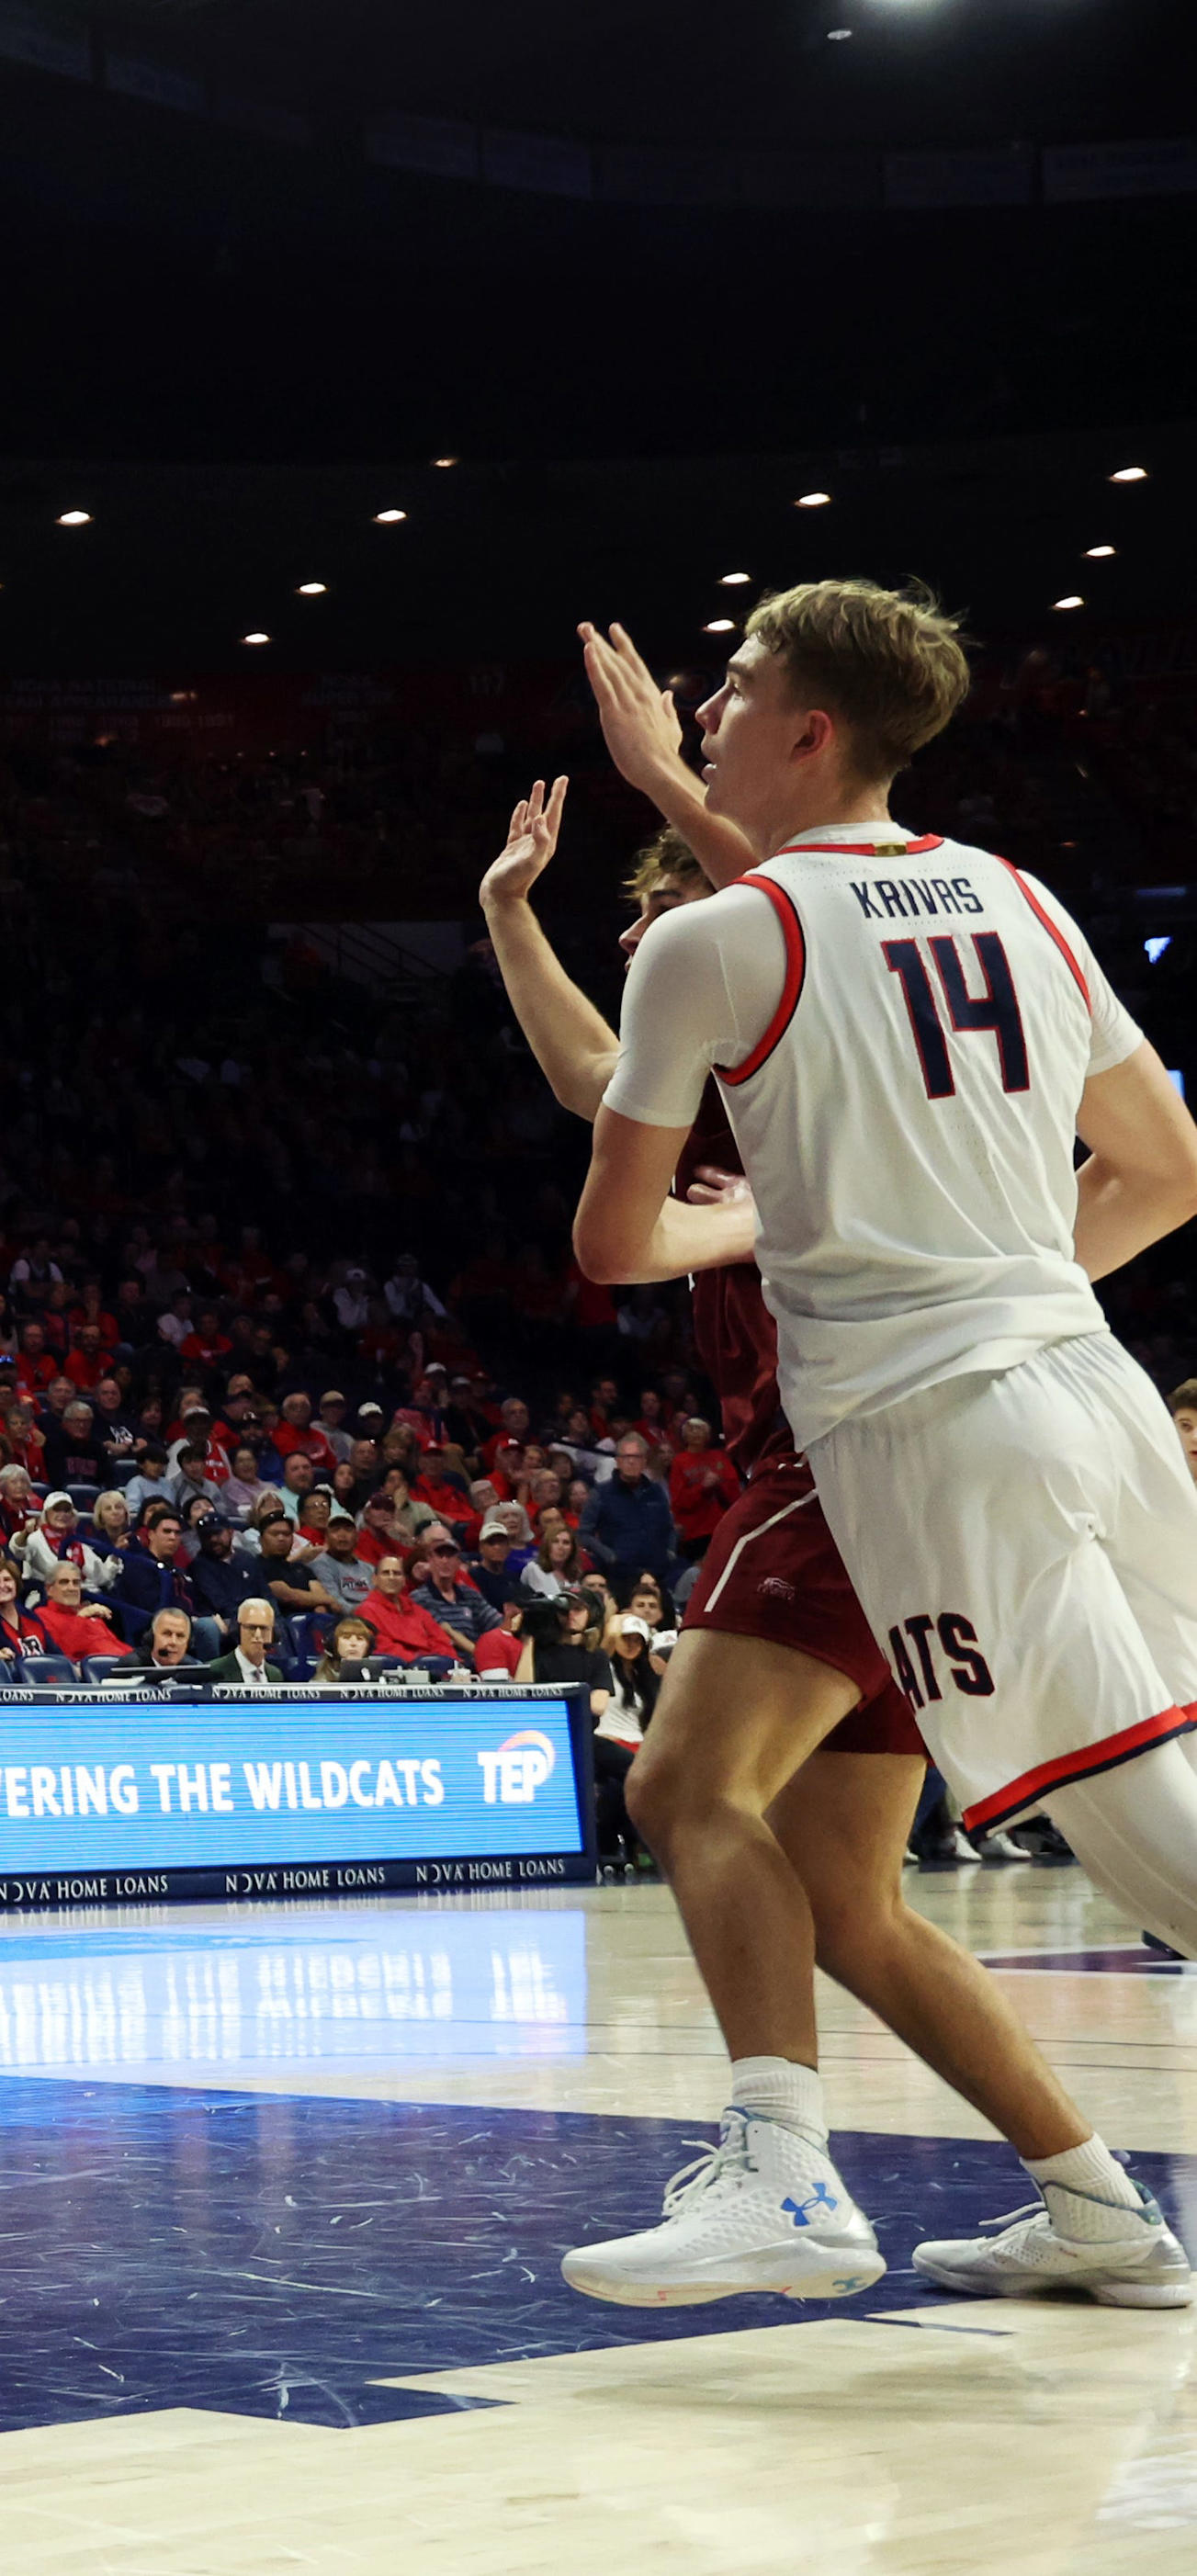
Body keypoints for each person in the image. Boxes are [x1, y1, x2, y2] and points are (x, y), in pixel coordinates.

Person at [567, 583, 1194, 2305]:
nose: (703, 710)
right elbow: (1167, 1167)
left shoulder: (706, 946)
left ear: (807, 724)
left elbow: (613, 1246)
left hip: (918, 1435)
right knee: (850, 1885)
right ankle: (1096, 2208)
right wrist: (990, 1274)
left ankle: (779, 2171)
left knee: (707, 1786)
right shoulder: (1023, 897)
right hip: (1090, 1387)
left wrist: (754, 1222)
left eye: (734, 684)